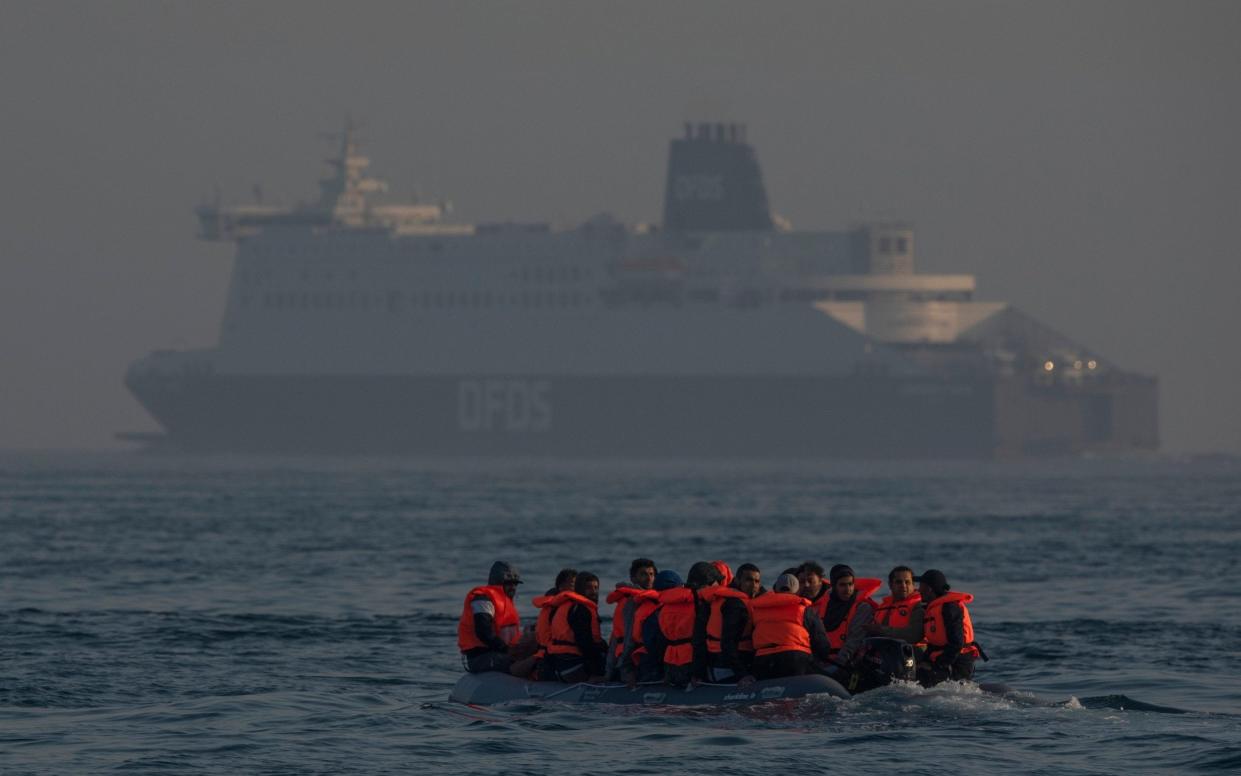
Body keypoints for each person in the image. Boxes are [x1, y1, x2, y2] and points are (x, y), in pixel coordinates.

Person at [749, 573, 832, 679]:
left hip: (763, 660)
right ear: (797, 591)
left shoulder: (758, 610)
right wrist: (820, 658)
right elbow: (822, 642)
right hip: (795, 659)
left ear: (776, 590)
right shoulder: (804, 610)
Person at [916, 569, 983, 686]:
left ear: (929, 589)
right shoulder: (932, 607)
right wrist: (924, 662)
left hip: (958, 662)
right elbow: (935, 644)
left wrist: (938, 665)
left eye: (921, 586)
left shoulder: (949, 607)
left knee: (922, 678)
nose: (918, 590)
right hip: (944, 658)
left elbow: (957, 643)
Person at [456, 561, 524, 674]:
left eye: (515, 584)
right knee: (524, 664)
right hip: (480, 657)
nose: (513, 587)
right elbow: (483, 632)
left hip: (501, 653)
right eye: (509, 583)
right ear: (498, 583)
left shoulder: (507, 602)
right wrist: (507, 650)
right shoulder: (483, 599)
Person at [511, 568, 578, 678]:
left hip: (550, 653)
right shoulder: (559, 607)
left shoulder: (562, 605)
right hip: (551, 656)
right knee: (514, 670)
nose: (576, 589)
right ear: (561, 587)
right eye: (572, 585)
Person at [821, 564, 882, 681]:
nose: (847, 589)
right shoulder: (825, 606)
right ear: (834, 586)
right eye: (842, 585)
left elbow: (854, 641)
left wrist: (837, 666)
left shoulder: (862, 608)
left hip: (846, 664)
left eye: (850, 584)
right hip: (823, 661)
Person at [544, 572, 607, 683]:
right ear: (579, 589)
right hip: (571, 666)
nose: (593, 592)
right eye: (588, 588)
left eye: (596, 588)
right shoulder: (581, 609)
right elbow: (585, 643)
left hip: (560, 662)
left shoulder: (568, 605)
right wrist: (597, 671)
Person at [704, 563, 760, 684]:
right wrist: (742, 675)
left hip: (722, 663)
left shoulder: (738, 600)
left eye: (757, 581)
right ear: (738, 580)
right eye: (749, 580)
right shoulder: (735, 605)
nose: (753, 585)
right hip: (725, 668)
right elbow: (728, 643)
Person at [604, 559, 658, 680]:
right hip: (628, 660)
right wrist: (626, 668)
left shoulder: (643, 598)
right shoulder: (632, 601)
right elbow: (626, 637)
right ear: (633, 578)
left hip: (629, 657)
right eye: (643, 574)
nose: (649, 578)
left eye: (651, 574)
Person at [633, 569, 683, 684]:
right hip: (654, 668)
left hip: (669, 662)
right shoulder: (655, 616)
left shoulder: (655, 612)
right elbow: (653, 646)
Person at [865, 565, 925, 645]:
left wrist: (881, 630)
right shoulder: (882, 607)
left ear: (913, 585)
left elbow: (913, 635)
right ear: (890, 585)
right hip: (883, 653)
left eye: (907, 582)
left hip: (910, 654)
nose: (903, 585)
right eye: (898, 582)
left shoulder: (920, 605)